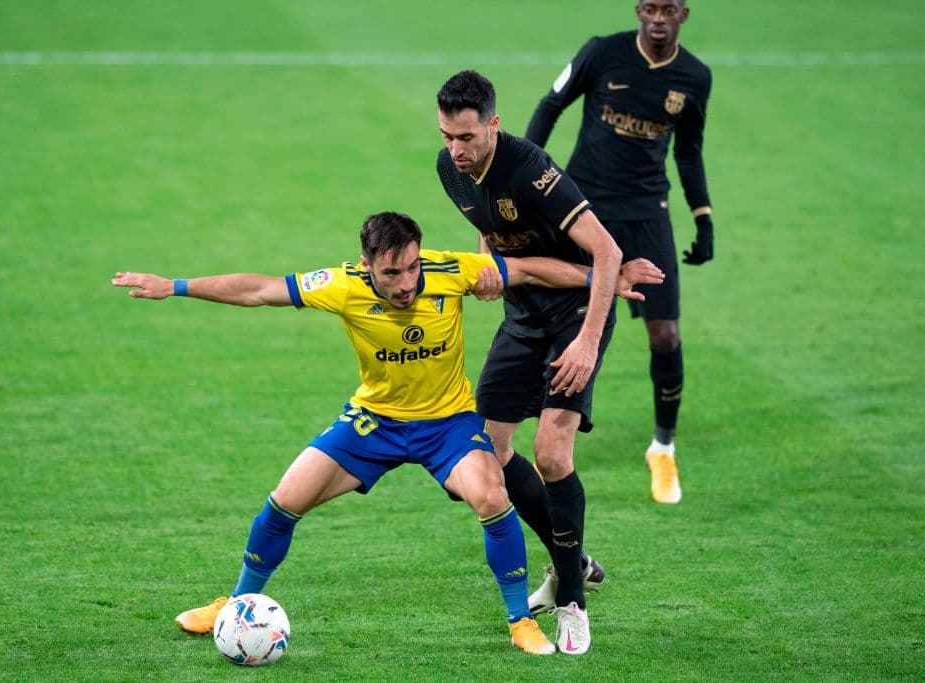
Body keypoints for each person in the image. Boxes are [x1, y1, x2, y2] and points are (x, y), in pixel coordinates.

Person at [111, 211, 662, 656]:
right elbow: (257, 289)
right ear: (367, 265)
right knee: (284, 500)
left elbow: (532, 271)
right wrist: (174, 286)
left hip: (447, 426)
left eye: (411, 269)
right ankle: (236, 602)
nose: (405, 284)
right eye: (391, 273)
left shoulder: (451, 271)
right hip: (373, 424)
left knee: (493, 496)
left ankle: (520, 620)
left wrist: (602, 278)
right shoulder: (342, 285)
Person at [437, 69, 624, 655]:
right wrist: (489, 266)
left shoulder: (532, 170)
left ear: (494, 124)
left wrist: (588, 343)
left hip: (575, 316)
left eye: (467, 137)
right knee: (485, 453)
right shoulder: (450, 170)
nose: (456, 150)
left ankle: (572, 599)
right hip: (522, 314)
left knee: (551, 451)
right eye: (447, 135)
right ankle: (577, 560)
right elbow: (489, 225)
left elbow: (608, 251)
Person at [525, 0, 714, 506]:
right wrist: (523, 178)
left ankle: (663, 447)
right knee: (566, 320)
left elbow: (689, 151)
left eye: (668, 9)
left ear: (683, 15)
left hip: (647, 213)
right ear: (638, 10)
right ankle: (552, 440)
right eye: (650, 7)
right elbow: (550, 106)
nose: (657, 18)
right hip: (582, 209)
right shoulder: (602, 53)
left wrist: (703, 216)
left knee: (666, 336)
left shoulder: (695, 77)